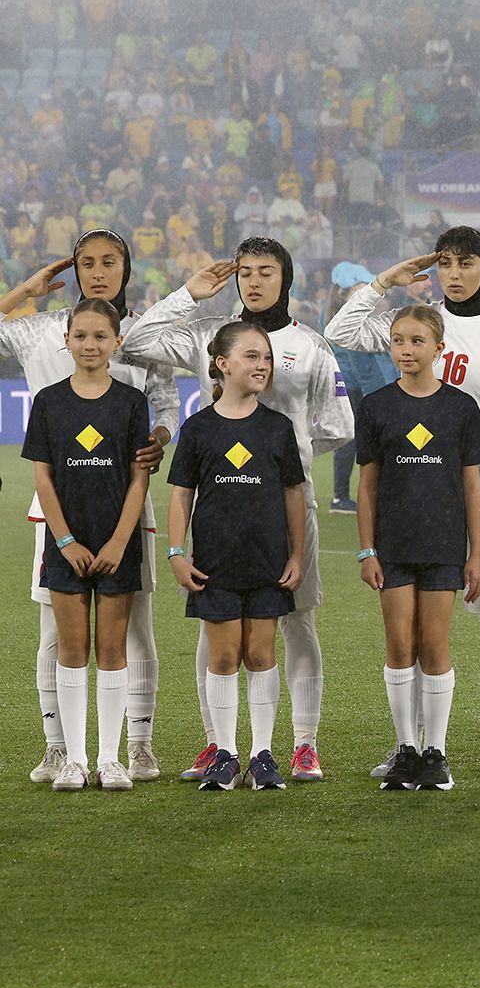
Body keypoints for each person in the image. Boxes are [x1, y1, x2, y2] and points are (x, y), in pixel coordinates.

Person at [330, 229, 480, 782]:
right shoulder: (418, 319)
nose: (455, 273)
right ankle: (411, 746)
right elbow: (339, 331)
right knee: (410, 632)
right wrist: (385, 281)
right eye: (447, 264)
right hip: (414, 492)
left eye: (466, 263)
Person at [126, 239, 351, 783]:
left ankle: (302, 744)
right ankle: (218, 744)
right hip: (219, 506)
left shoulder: (311, 346)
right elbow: (134, 342)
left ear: (286, 280)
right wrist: (187, 294)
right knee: (215, 622)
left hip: (289, 505)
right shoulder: (212, 334)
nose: (252, 282)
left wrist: (282, 463)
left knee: (297, 621)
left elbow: (339, 425)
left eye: (265, 272)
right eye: (244, 273)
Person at [0, 232, 178, 785]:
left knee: (134, 631)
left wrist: (162, 434)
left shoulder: (146, 334)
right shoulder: (39, 326)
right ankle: (61, 748)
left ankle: (137, 745)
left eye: (110, 261)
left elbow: (166, 404)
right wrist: (20, 293)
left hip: (126, 503)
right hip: (58, 511)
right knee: (57, 634)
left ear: (127, 266)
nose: (98, 271)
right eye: (87, 263)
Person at [166, 321, 309, 791]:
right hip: (215, 564)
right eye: (251, 356)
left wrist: (297, 554)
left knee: (261, 653)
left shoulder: (277, 428)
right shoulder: (199, 428)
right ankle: (226, 753)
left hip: (267, 562)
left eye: (265, 357)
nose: (262, 365)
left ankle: (262, 754)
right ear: (222, 364)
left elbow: (293, 493)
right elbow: (181, 495)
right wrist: (176, 553)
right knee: (224, 657)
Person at [354, 305, 480, 791]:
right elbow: (367, 486)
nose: (405, 350)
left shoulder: (460, 407)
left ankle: (437, 751)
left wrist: (476, 553)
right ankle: (406, 749)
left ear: (439, 347)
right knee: (399, 645)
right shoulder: (375, 406)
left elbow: (473, 486)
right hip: (393, 546)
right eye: (397, 340)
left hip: (444, 545)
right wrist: (366, 549)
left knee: (434, 645)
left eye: (416, 341)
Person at [23, 299, 155, 791]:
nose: (90, 345)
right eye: (81, 336)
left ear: (117, 342)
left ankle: (110, 758)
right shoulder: (50, 402)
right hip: (67, 545)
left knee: (112, 648)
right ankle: (75, 760)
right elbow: (42, 474)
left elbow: (140, 477)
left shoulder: (130, 402)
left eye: (101, 336)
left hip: (116, 544)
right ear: (67, 340)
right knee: (73, 648)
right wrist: (64, 540)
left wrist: (121, 541)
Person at [325, 262, 391, 515]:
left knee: (349, 440)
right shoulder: (348, 316)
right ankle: (346, 497)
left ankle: (341, 496)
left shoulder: (331, 311)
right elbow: (360, 360)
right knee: (360, 442)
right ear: (349, 287)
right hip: (355, 385)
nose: (367, 287)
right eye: (362, 283)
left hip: (345, 384)